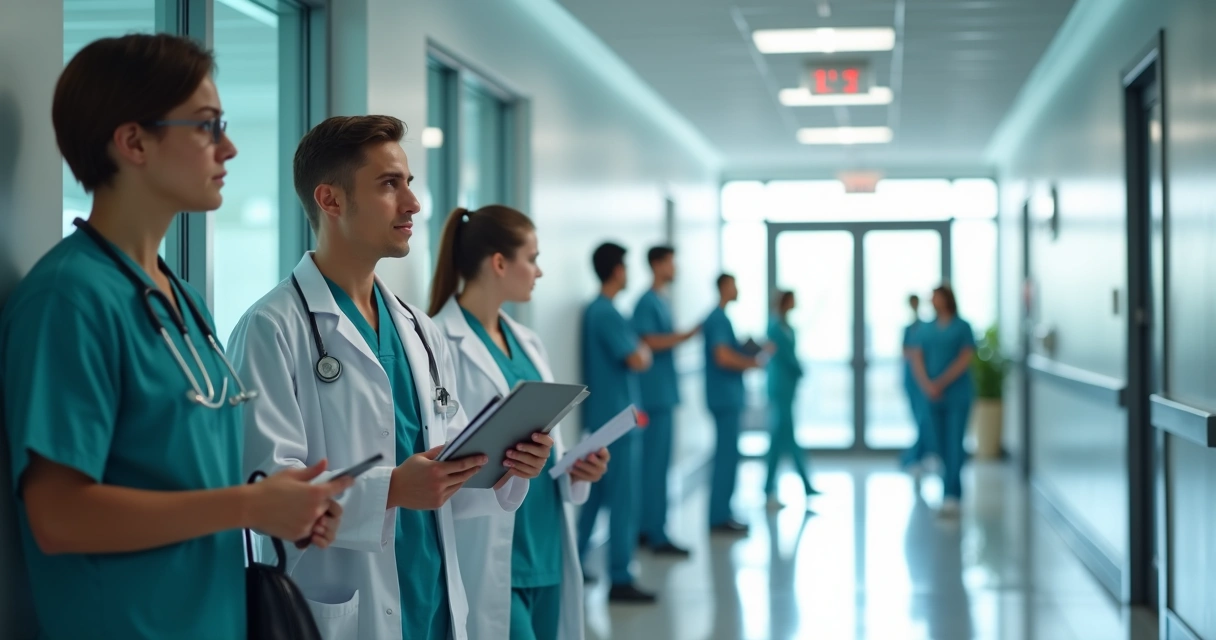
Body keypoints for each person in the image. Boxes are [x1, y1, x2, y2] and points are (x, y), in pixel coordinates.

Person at [0, 34, 351, 639]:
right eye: (208, 126)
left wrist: (280, 505)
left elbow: (184, 476)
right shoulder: (70, 298)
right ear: (133, 141)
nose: (230, 147)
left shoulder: (181, 298)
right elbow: (59, 517)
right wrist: (246, 506)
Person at [227, 115, 552, 640]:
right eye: (388, 185)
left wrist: (511, 463)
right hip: (340, 609)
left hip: (434, 601)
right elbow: (263, 492)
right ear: (330, 201)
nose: (413, 204)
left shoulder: (417, 329)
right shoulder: (272, 327)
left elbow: (454, 465)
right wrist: (392, 489)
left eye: (409, 184)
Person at [428, 204, 611, 640]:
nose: (538, 272)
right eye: (532, 258)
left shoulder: (527, 341)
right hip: (491, 549)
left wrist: (577, 470)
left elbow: (547, 446)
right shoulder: (438, 341)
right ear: (498, 263)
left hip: (545, 542)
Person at [577, 242, 656, 603]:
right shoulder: (606, 313)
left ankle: (575, 562)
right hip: (618, 421)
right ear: (616, 270)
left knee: (595, 495)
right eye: (625, 266)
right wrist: (643, 351)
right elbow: (637, 360)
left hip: (604, 417)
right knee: (623, 500)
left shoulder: (599, 312)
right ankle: (621, 578)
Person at [631, 245, 698, 555]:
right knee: (654, 468)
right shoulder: (647, 302)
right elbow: (647, 340)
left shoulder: (662, 300)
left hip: (663, 394)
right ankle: (654, 533)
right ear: (657, 264)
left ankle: (650, 528)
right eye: (672, 261)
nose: (676, 267)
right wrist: (685, 336)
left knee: (657, 467)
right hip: (653, 397)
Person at [703, 274, 764, 534]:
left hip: (726, 396)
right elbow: (722, 356)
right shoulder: (717, 318)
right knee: (726, 458)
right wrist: (752, 363)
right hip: (724, 398)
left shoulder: (722, 319)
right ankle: (719, 517)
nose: (737, 289)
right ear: (724, 287)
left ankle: (723, 512)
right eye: (734, 284)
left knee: (729, 456)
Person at [909, 285, 976, 516]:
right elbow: (915, 357)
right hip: (931, 395)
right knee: (937, 442)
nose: (934, 301)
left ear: (947, 299)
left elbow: (965, 358)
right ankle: (946, 483)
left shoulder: (962, 327)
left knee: (955, 443)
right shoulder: (925, 329)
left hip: (956, 394)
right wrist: (928, 385)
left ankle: (951, 494)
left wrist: (941, 382)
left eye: (937, 297)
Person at [764, 290, 817, 509]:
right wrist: (798, 368)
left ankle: (803, 483)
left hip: (789, 387)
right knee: (781, 439)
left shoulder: (788, 328)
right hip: (778, 387)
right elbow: (785, 356)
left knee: (785, 437)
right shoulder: (774, 327)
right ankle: (770, 488)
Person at [899, 294, 933, 476]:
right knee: (919, 420)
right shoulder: (908, 329)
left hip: (925, 381)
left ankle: (914, 457)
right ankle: (913, 458)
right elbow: (905, 352)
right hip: (911, 379)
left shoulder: (927, 327)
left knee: (925, 421)